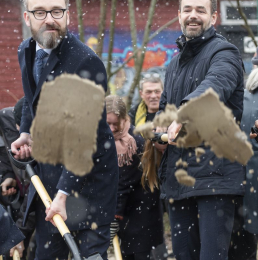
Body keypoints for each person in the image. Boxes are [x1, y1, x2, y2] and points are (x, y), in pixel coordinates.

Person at [11, 0, 118, 259]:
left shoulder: (85, 62)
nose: (50, 19)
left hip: (91, 182)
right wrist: (26, 132)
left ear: (67, 14)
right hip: (51, 178)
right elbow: (31, 99)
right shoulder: (26, 50)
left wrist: (64, 193)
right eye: (40, 12)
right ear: (27, 17)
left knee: (90, 256)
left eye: (57, 11)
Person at [157, 0, 245, 259]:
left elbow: (215, 85)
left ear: (214, 17)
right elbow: (164, 112)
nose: (193, 16)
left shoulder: (225, 53)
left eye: (200, 10)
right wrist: (159, 128)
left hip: (215, 177)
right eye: (187, 10)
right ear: (179, 15)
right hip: (178, 178)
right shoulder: (174, 65)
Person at [106, 95, 164, 260]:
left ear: (124, 119)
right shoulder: (106, 140)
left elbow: (124, 182)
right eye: (107, 123)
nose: (111, 128)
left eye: (115, 124)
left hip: (142, 213)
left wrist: (114, 216)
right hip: (126, 213)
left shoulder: (133, 143)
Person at [229, 47, 258, 260]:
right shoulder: (245, 96)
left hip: (242, 183)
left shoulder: (244, 95)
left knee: (243, 246)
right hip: (248, 182)